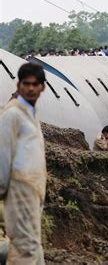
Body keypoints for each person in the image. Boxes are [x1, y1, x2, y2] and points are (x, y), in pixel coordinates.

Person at [0, 63, 47, 264]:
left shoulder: (31, 117)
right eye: (26, 85)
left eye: (35, 85)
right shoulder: (12, 116)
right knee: (26, 251)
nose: (30, 89)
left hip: (29, 198)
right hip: (16, 197)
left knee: (33, 251)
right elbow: (3, 160)